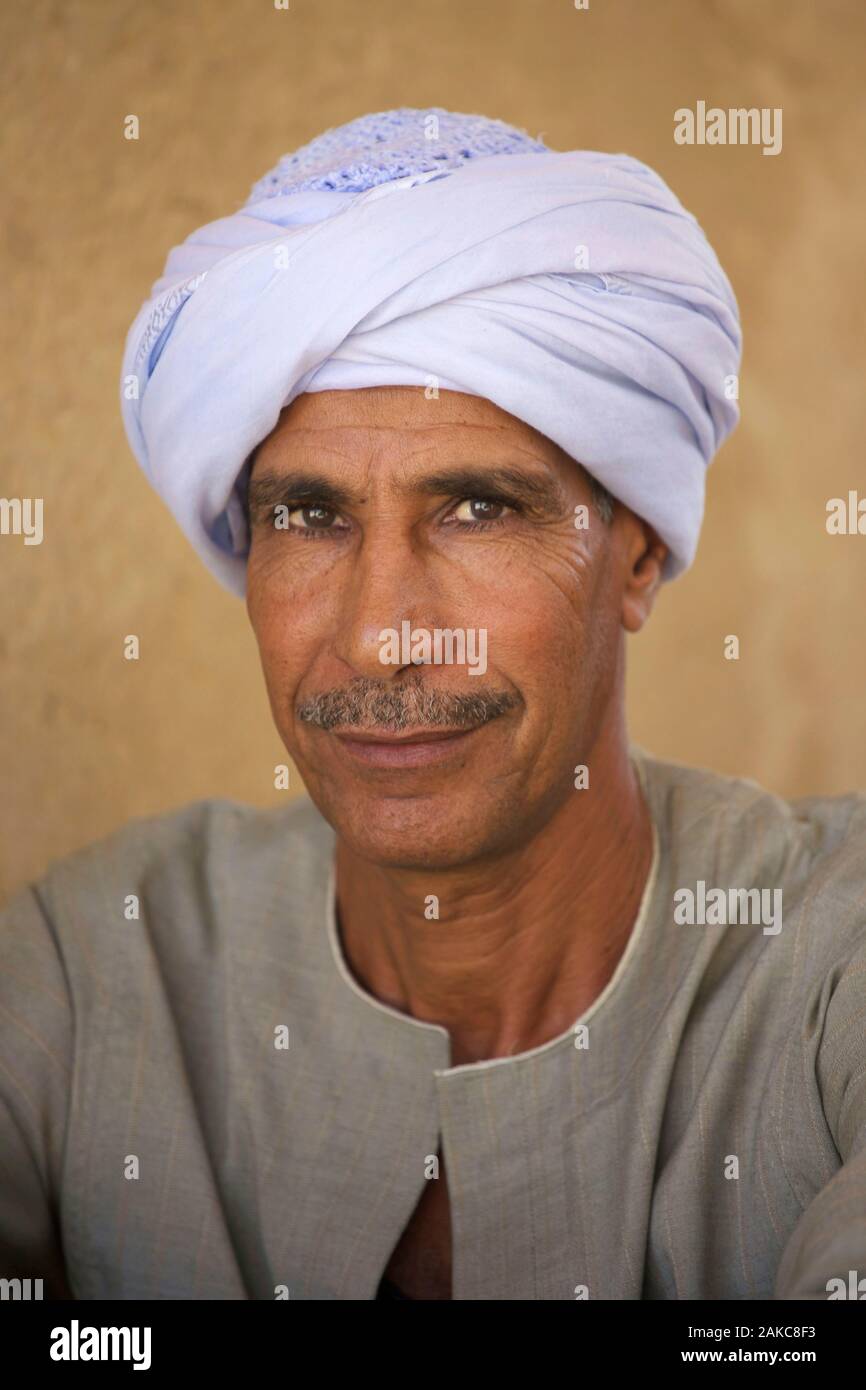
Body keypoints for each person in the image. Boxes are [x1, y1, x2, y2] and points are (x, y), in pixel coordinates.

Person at [1, 108, 863, 1301]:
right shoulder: (91, 968)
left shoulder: (828, 970)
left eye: (475, 509)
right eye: (308, 517)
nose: (380, 635)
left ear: (637, 552)